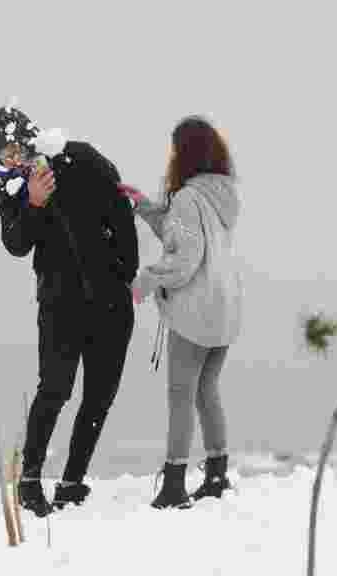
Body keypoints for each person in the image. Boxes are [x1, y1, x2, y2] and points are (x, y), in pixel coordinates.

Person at [0, 106, 139, 517]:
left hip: (110, 305)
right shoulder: (13, 191)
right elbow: (16, 244)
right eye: (1, 155)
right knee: (55, 389)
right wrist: (33, 203)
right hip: (59, 306)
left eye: (13, 149)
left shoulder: (81, 158)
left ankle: (71, 483)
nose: (10, 161)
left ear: (29, 140)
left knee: (99, 396)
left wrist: (124, 274)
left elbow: (121, 211)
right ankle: (29, 481)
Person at [119, 115, 242, 509]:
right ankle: (218, 473)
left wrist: (145, 282)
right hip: (225, 312)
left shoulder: (189, 198)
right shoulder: (220, 195)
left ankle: (174, 485)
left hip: (196, 314)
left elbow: (185, 257)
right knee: (207, 392)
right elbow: (182, 233)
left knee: (180, 395)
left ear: (184, 152)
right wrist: (145, 207)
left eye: (174, 148)